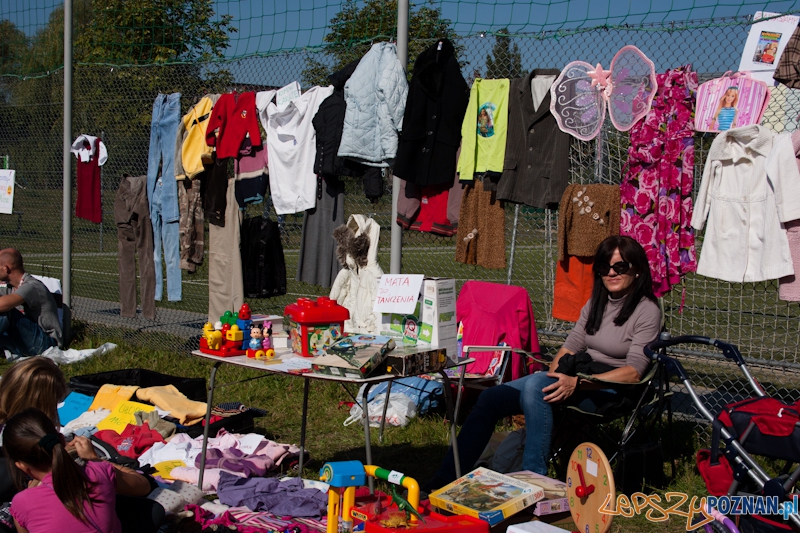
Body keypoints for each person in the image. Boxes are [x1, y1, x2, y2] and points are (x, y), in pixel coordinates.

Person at [424, 235, 661, 490]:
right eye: (604, 267)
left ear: (637, 269)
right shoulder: (596, 303)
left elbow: (635, 373)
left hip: (611, 388)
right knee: (490, 399)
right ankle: (445, 479)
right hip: (578, 376)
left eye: (620, 267)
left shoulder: (647, 311)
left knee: (536, 387)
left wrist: (577, 383)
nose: (611, 273)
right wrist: (556, 375)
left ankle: (534, 483)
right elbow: (569, 346)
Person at [0, 358, 161, 533]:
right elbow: (141, 485)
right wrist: (93, 460)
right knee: (150, 510)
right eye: (55, 404)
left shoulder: (22, 500)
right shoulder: (94, 472)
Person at [4, 408, 153, 533]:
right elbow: (143, 485)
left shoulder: (22, 503)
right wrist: (95, 459)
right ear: (62, 440)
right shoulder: (98, 471)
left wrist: (32, 491)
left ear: (21, 466)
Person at [0, 249, 62, 359]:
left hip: (46, 344)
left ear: (6, 268)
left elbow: (2, 305)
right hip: (24, 340)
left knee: (6, 311)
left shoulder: (32, 286)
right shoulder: (10, 287)